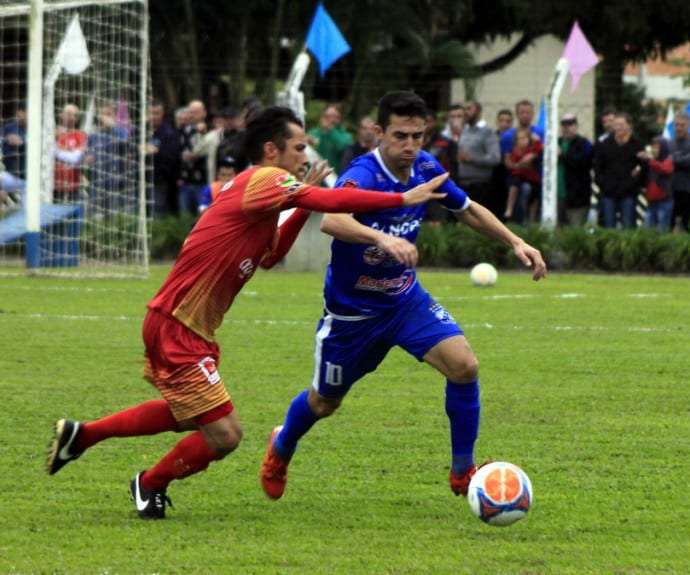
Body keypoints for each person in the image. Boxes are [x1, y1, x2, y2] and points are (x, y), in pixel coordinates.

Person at [45, 105, 450, 520]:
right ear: (271, 150)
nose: (304, 156)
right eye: (299, 147)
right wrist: (401, 197)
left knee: (189, 415)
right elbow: (331, 199)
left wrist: (300, 208)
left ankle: (84, 436)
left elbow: (271, 255)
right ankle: (149, 483)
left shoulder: (259, 194)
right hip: (177, 324)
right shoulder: (265, 178)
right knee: (225, 435)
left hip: (186, 326)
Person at [260, 91, 547, 502]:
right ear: (379, 132)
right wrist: (382, 238)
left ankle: (463, 472)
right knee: (323, 403)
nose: (410, 146)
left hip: (403, 301)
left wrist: (516, 242)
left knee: (464, 366)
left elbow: (466, 209)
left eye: (418, 135)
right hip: (352, 316)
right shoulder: (362, 174)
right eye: (400, 136)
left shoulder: (426, 168)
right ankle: (282, 444)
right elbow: (334, 221)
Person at [593, 113, 645, 229]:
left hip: (629, 194)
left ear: (629, 126)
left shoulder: (637, 144)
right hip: (608, 193)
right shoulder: (605, 144)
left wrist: (634, 183)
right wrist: (603, 184)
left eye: (621, 124)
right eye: (616, 125)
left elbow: (643, 167)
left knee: (628, 226)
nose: (618, 128)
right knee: (608, 226)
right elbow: (597, 167)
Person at [456, 101, 501, 213]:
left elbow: (495, 158)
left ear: (478, 111)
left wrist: (472, 159)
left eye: (469, 109)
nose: (465, 112)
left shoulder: (487, 132)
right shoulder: (464, 130)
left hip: (480, 186)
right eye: (464, 109)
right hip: (462, 183)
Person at [667, 112, 690, 232]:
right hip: (671, 191)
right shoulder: (669, 144)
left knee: (689, 228)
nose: (679, 128)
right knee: (669, 228)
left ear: (688, 125)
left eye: (682, 125)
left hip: (689, 191)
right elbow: (665, 162)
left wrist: (674, 159)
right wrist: (681, 158)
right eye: (676, 125)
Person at [0, 106, 27, 207]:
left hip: (35, 178)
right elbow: (7, 149)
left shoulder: (41, 128)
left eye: (25, 112)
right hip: (15, 175)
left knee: (28, 214)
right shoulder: (10, 127)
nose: (20, 115)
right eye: (20, 112)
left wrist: (22, 143)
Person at [557, 114, 593, 226]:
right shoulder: (556, 142)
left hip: (577, 199)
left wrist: (562, 155)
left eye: (570, 124)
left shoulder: (584, 143)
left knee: (575, 231)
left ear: (576, 126)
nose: (566, 128)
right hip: (557, 197)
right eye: (564, 125)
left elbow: (582, 163)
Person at [147, 101, 181, 216]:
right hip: (142, 179)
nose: (153, 116)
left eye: (156, 113)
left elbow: (173, 157)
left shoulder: (169, 133)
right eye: (150, 113)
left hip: (161, 180)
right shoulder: (141, 131)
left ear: (162, 114)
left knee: (157, 211)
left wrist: (157, 152)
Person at [503, 127, 542, 223]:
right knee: (514, 184)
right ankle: (510, 207)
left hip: (532, 178)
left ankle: (532, 219)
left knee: (535, 194)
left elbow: (538, 148)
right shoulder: (515, 151)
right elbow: (513, 164)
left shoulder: (531, 150)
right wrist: (518, 165)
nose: (522, 141)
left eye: (525, 139)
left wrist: (537, 140)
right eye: (520, 139)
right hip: (519, 176)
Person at [53, 104, 88, 203]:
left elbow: (75, 158)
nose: (68, 116)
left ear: (76, 119)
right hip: (53, 185)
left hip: (73, 185)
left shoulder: (80, 135)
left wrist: (57, 152)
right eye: (66, 113)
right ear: (61, 115)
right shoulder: (50, 134)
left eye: (72, 115)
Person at [307, 104, 353, 173]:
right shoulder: (313, 132)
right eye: (326, 116)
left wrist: (330, 131)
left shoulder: (346, 136)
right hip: (315, 173)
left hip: (334, 175)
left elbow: (342, 148)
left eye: (334, 116)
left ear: (339, 118)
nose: (330, 119)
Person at [640, 137, 673, 232]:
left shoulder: (668, 160)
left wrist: (650, 161)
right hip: (651, 201)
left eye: (657, 148)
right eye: (652, 148)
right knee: (648, 230)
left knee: (662, 231)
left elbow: (665, 169)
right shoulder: (650, 162)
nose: (654, 150)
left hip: (664, 201)